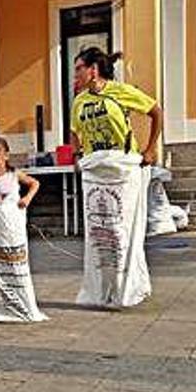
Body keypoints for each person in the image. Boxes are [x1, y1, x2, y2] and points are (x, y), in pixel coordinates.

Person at [70, 47, 161, 308]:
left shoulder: (120, 91)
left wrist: (150, 148)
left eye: (78, 68)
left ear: (93, 70)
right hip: (96, 170)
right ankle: (103, 288)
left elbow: (156, 111)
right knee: (101, 231)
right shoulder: (79, 100)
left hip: (123, 167)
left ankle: (129, 286)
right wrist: (78, 154)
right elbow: (75, 130)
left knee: (122, 229)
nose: (75, 74)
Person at [0, 137, 48, 323]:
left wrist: (26, 199)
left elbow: (34, 183)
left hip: (11, 229)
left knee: (15, 264)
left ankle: (23, 304)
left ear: (6, 156)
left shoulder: (14, 175)